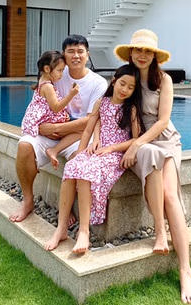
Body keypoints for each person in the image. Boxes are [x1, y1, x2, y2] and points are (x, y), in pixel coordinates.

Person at [115, 29, 191, 304]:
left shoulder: (164, 80)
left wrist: (136, 144)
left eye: (147, 51)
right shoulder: (124, 78)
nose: (142, 55)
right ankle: (161, 234)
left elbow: (163, 121)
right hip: (140, 143)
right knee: (158, 182)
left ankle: (185, 270)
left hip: (165, 141)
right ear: (130, 53)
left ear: (154, 55)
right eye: (138, 50)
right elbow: (106, 107)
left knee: (170, 195)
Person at [45, 64, 143, 254]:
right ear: (114, 81)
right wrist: (81, 152)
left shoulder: (130, 109)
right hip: (98, 151)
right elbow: (88, 130)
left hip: (114, 154)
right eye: (122, 84)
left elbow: (136, 139)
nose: (125, 90)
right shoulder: (101, 103)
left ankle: (84, 231)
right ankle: (61, 227)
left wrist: (111, 148)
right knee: (73, 165)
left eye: (131, 87)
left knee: (84, 172)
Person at [9, 35, 108, 223]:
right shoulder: (57, 73)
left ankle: (67, 208)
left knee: (79, 159)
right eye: (71, 51)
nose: (76, 56)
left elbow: (91, 120)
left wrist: (56, 128)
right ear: (64, 54)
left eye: (80, 51)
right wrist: (40, 126)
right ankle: (28, 200)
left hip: (77, 134)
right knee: (24, 146)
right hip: (51, 131)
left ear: (88, 55)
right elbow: (39, 105)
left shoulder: (99, 83)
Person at [20, 50, 80, 167]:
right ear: (47, 69)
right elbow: (56, 108)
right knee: (81, 131)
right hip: (52, 123)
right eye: (59, 70)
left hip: (46, 122)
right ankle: (54, 150)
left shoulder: (42, 82)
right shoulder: (48, 86)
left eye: (62, 70)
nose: (61, 74)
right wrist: (71, 94)